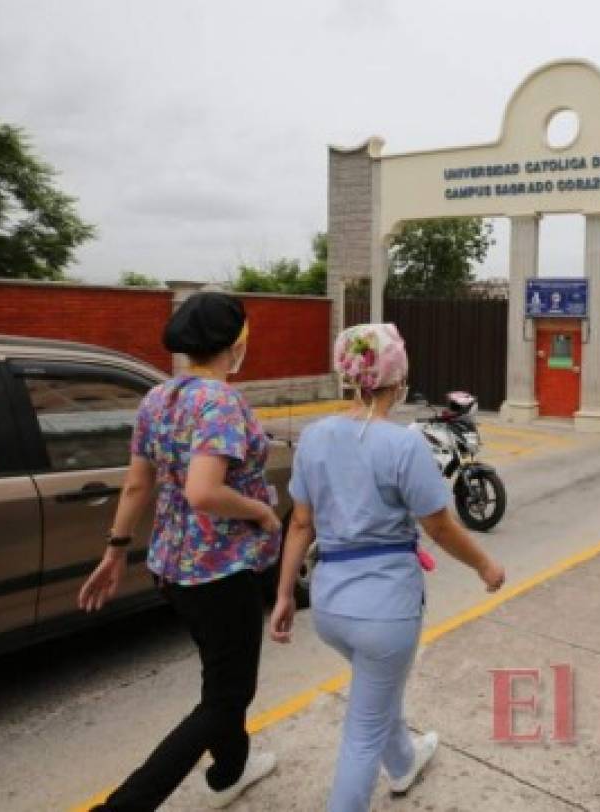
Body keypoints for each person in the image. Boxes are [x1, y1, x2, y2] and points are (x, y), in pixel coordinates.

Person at [270, 323, 505, 812]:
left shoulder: (313, 438)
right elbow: (439, 527)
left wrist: (285, 595)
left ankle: (402, 763)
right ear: (397, 383)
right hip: (384, 610)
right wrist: (485, 565)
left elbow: (299, 525)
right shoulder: (402, 445)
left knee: (375, 693)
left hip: (332, 607)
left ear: (349, 377)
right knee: (362, 731)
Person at [79, 292, 282, 810]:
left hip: (171, 569)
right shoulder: (221, 401)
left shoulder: (158, 398)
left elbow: (136, 485)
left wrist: (115, 550)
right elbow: (203, 491)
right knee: (226, 698)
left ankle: (230, 769)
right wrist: (260, 513)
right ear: (235, 345)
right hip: (220, 573)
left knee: (224, 681)